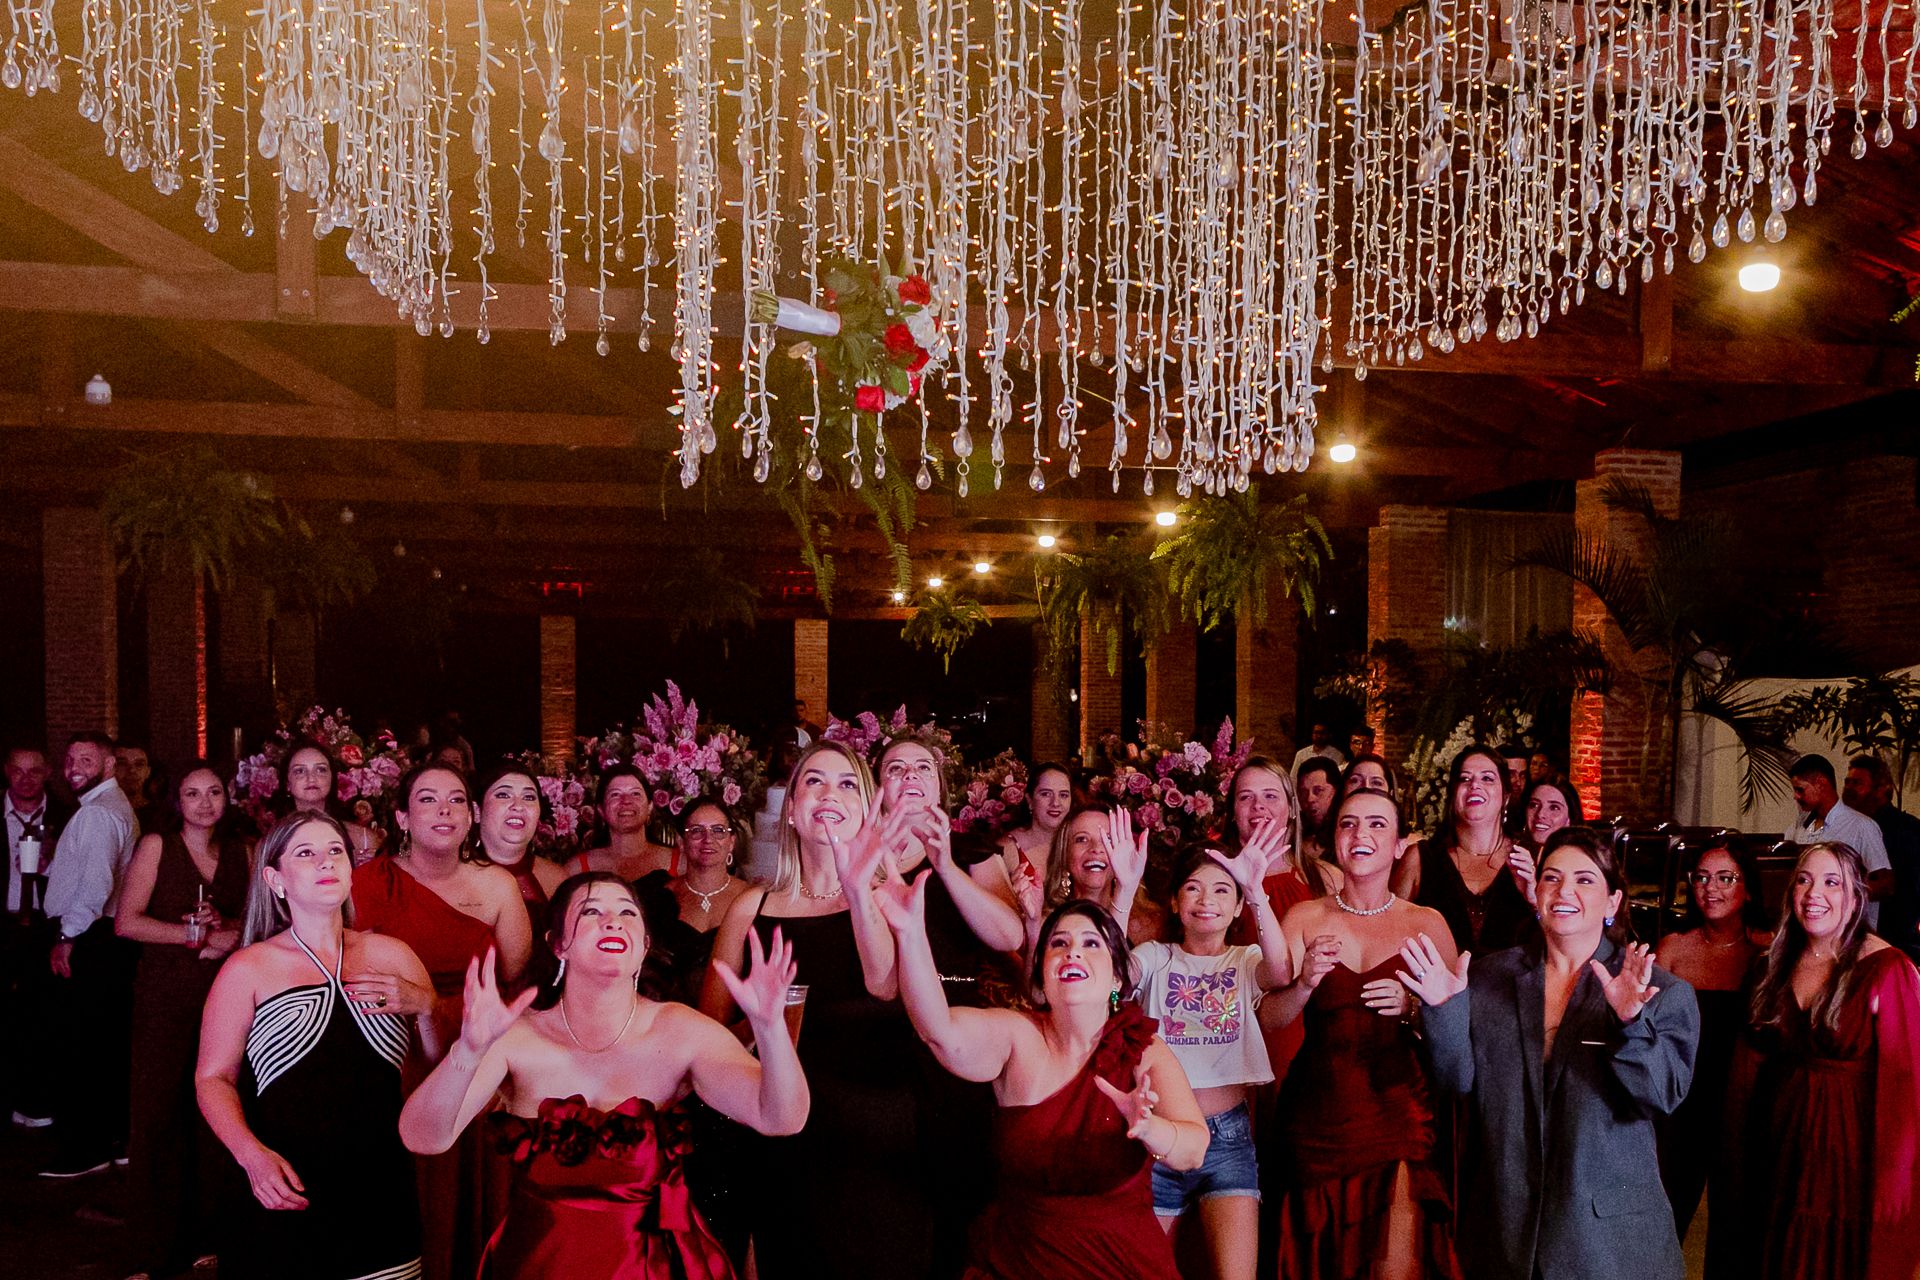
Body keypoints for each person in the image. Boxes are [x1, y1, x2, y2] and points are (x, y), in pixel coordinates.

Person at [398, 873, 809, 1280]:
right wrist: (468, 1051)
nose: (613, 921)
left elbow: (781, 1118)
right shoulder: (517, 1035)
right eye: (591, 911)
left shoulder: (681, 1030)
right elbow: (423, 1137)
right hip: (537, 1266)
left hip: (651, 1269)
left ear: (644, 945)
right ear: (558, 943)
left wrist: (769, 1028)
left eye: (628, 913)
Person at [1399, 828, 1700, 1280]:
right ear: (1535, 892)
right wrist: (1443, 1010)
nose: (1564, 891)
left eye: (1584, 880)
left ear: (1613, 902)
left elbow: (1660, 1094)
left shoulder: (1659, 990)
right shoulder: (1490, 977)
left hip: (1607, 1244)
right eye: (1552, 878)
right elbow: (1455, 1081)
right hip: (1507, 1233)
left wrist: (1630, 1023)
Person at [878, 887, 1209, 1279]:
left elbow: (1194, 1150)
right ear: (1042, 974)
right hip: (1019, 1261)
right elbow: (938, 1031)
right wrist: (910, 933)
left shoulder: (1142, 1048)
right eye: (1059, 944)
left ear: (1117, 976)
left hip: (1120, 1264)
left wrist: (1151, 1128)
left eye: (1091, 943)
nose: (1073, 953)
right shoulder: (1017, 1035)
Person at [697, 740, 937, 1279]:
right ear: (790, 809)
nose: (830, 793)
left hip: (879, 1144)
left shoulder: (890, 897)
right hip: (783, 1140)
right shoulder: (750, 909)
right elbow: (708, 1039)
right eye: (814, 781)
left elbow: (885, 986)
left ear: (867, 808)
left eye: (848, 784)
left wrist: (858, 890)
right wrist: (759, 1023)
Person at [196, 814, 436, 1280]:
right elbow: (213, 1078)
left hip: (380, 1188)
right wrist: (251, 1156)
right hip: (282, 1185)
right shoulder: (249, 968)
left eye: (335, 851)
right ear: (275, 879)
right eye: (306, 853)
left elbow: (434, 1068)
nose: (325, 861)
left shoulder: (393, 955)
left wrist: (427, 1006)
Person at [1267, 788, 1460, 1280]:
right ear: (1335, 838)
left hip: (1398, 1113)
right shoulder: (1304, 917)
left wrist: (1413, 1008)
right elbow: (1269, 1018)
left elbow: (1456, 1032)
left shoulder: (1427, 923)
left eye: (1377, 824)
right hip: (1317, 1115)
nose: (1361, 834)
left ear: (1399, 845)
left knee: (1395, 1261)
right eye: (1348, 823)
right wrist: (1305, 982)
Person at [351, 763, 532, 1280]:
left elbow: (515, 980)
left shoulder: (497, 886)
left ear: (472, 816)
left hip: (472, 1047)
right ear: (402, 817)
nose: (444, 810)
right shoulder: (364, 883)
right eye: (427, 799)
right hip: (386, 1049)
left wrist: (442, 1010)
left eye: (455, 800)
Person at [1713, 842, 1920, 1280]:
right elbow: (1746, 1071)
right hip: (1778, 1148)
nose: (1814, 895)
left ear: (1856, 896)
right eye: (1804, 881)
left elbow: (1907, 1091)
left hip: (1849, 1156)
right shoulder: (1772, 965)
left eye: (1832, 883)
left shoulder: (1887, 968)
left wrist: (1895, 1187)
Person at [115, 762, 251, 1278]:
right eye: (193, 794)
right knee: (158, 1115)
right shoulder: (157, 846)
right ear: (176, 800)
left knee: (215, 1116)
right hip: (165, 998)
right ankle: (148, 1250)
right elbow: (126, 922)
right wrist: (195, 937)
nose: (205, 803)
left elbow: (258, 921)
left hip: (226, 998)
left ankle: (206, 1237)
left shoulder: (241, 851)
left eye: (214, 792)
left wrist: (228, 928)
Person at [1132, 846, 1291, 1280]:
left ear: (1237, 907)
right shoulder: (1154, 957)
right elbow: (1114, 974)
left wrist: (1256, 890)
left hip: (1228, 1139)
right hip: (1160, 1137)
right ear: (1174, 901)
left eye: (1222, 890)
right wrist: (1126, 890)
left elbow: (1280, 973)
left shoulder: (1245, 959)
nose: (1207, 900)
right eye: (1193, 888)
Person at [1653, 840, 1766, 1245]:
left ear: (1748, 889)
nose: (1710, 888)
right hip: (1681, 1102)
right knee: (1665, 1217)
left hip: (1742, 1103)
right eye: (1701, 878)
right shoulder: (1673, 948)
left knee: (1736, 1226)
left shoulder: (1766, 951)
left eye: (1725, 878)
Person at [39, 731, 139, 1179]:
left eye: (85, 759)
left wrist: (67, 935)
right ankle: (113, 1139)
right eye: (69, 760)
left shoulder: (98, 812)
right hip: (104, 941)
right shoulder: (109, 806)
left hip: (91, 939)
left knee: (82, 1047)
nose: (73, 768)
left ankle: (87, 1149)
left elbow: (97, 887)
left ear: (110, 764)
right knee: (103, 1044)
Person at [1392, 745, 1539, 954]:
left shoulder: (1530, 858)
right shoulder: (1420, 858)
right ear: (1453, 794)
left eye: (1487, 778)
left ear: (1505, 795)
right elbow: (1389, 935)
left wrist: (1535, 902)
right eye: (1465, 779)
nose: (1475, 785)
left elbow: (1559, 946)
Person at [3, 744, 68, 1128]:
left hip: (46, 926)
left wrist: (51, 864)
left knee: (43, 1014)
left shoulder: (67, 815)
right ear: (6, 772)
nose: (26, 779)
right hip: (5, 922)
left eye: (34, 771)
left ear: (47, 773)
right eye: (18, 771)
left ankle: (38, 1101)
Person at [637, 798, 751, 1005]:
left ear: (731, 842)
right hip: (668, 1015)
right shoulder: (656, 898)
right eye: (697, 831)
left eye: (718, 831)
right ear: (681, 842)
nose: (708, 839)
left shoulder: (753, 899)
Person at [1782, 754, 1892, 929]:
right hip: (1807, 926)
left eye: (1800, 789)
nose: (1796, 796)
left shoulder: (1861, 826)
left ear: (1821, 784)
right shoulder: (1799, 826)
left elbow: (1886, 884)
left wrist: (1842, 893)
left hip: (1851, 930)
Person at [1033, 804, 1154, 948]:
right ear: (1064, 853)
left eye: (1108, 839)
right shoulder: (1045, 923)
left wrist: (1125, 890)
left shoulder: (1149, 925)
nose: (1096, 848)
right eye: (1082, 839)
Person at [472, 763, 567, 933]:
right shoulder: (453, 876)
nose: (518, 805)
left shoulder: (556, 878)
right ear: (477, 811)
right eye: (503, 795)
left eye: (529, 797)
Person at [1844, 755, 1920, 959]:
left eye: (1857, 783)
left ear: (1881, 789)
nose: (1849, 788)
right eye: (1847, 782)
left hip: (1896, 939)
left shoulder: (1906, 830)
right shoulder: (1850, 827)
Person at [276, 741, 380, 861]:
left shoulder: (363, 840)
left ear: (332, 778)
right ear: (287, 783)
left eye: (321, 770)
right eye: (300, 771)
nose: (311, 778)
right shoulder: (271, 843)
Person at [570, 767, 677, 882]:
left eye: (635, 793)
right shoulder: (576, 869)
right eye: (615, 794)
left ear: (650, 806)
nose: (626, 801)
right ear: (601, 810)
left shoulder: (680, 864)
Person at [999, 761, 1075, 891]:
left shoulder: (1078, 842)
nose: (1055, 803)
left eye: (1063, 795)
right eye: (1046, 794)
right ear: (1030, 800)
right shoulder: (1007, 850)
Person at [1293, 757, 1342, 864]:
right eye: (1303, 792)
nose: (1310, 799)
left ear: (1336, 791)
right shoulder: (1293, 831)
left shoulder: (1344, 832)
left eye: (1318, 790)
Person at [1517, 778, 1582, 851]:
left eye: (1554, 808)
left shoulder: (1578, 856)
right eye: (1534, 805)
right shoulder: (1514, 849)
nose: (1540, 814)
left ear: (1570, 817)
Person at [116, 742, 157, 832]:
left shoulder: (161, 815)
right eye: (122, 764)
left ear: (148, 772)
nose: (131, 770)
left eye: (139, 764)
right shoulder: (99, 810)